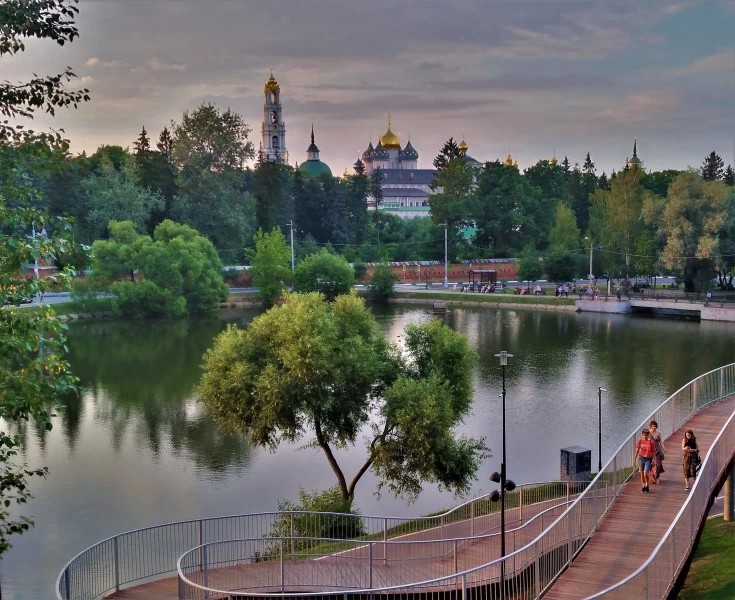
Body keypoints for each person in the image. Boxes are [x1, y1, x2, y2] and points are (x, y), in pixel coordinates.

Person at [633, 428, 656, 493]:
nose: (645, 436)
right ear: (642, 435)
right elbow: (637, 450)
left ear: (648, 435)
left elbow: (654, 451)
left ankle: (647, 485)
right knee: (642, 473)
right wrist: (634, 459)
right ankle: (643, 486)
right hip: (641, 458)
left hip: (648, 459)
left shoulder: (651, 442)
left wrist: (653, 460)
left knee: (646, 474)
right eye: (643, 435)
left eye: (646, 435)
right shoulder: (640, 441)